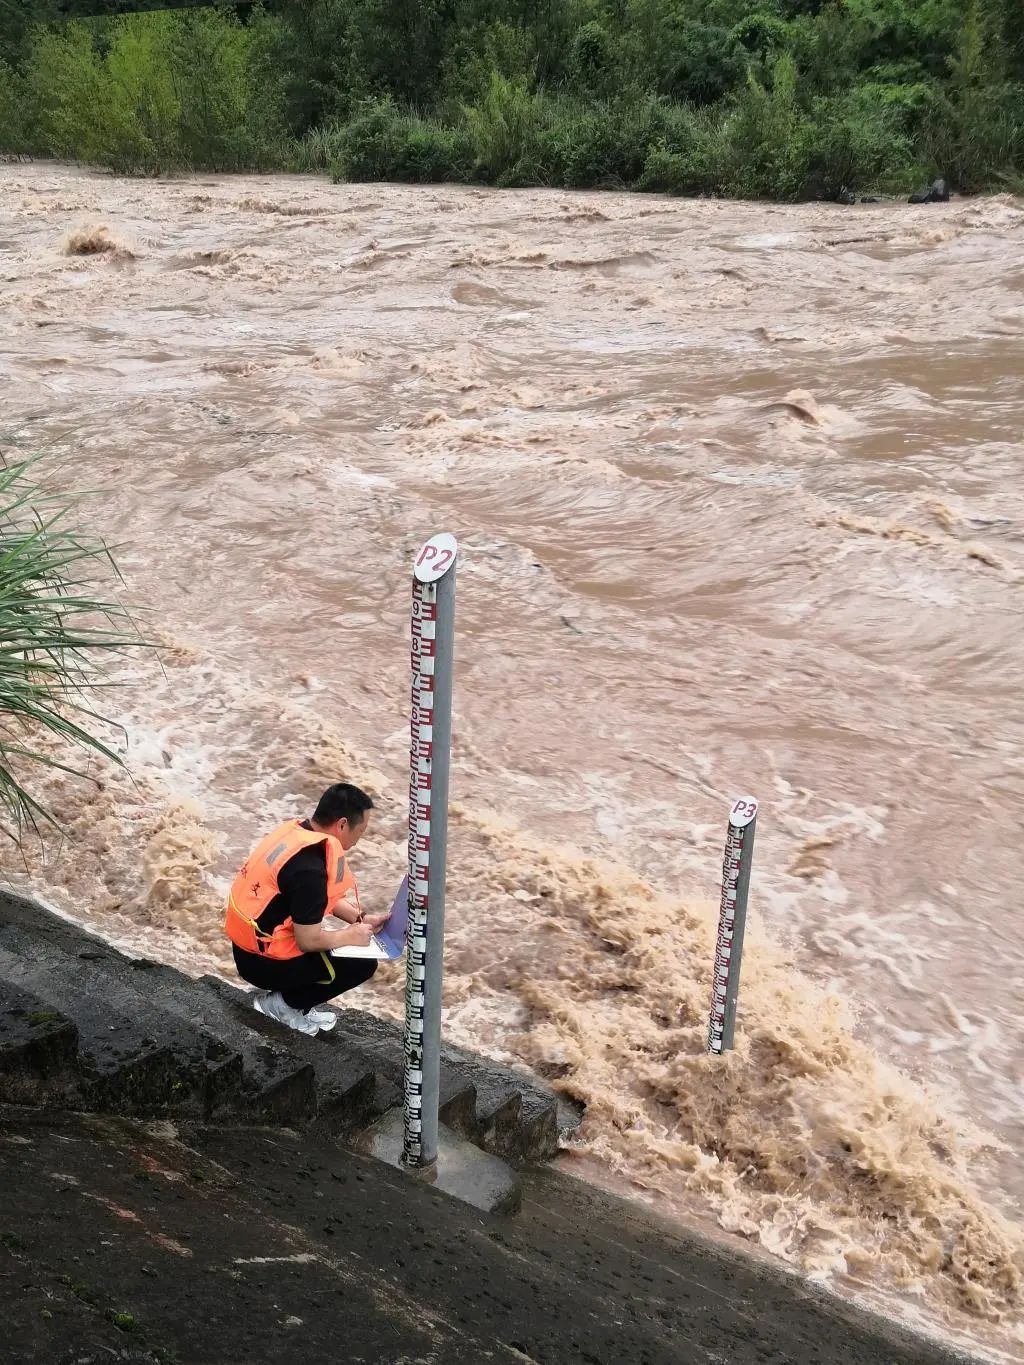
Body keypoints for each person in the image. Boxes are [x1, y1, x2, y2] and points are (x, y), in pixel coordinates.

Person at [223, 782, 389, 1036]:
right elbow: (308, 940)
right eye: (362, 829)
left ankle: (292, 1001)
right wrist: (351, 936)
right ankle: (282, 1006)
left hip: (246, 948)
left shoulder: (297, 835)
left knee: (345, 947)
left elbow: (322, 899)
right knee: (361, 965)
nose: (361, 838)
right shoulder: (310, 871)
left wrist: (362, 918)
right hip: (261, 963)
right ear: (343, 824)